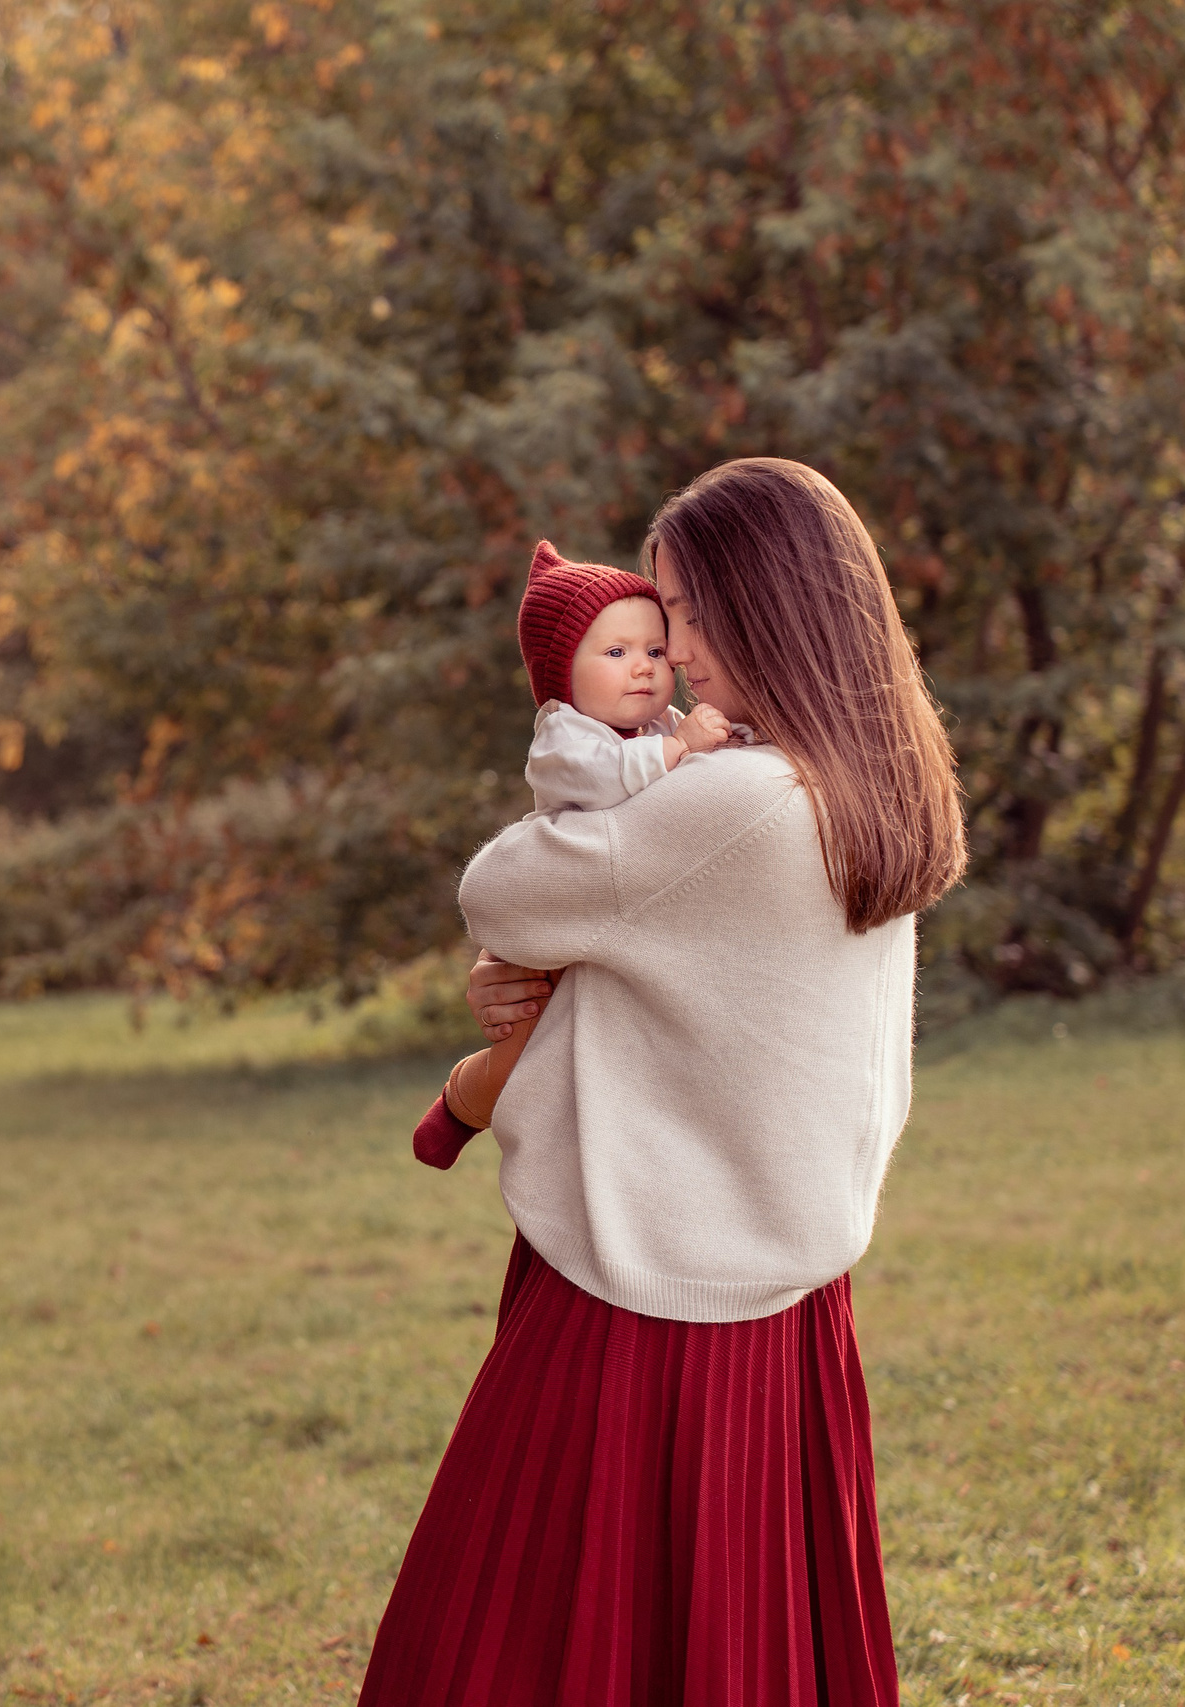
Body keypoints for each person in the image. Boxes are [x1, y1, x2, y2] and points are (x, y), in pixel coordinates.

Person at [362, 458, 967, 1707]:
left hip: (649, 1296)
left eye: (686, 611)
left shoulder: (734, 802)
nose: (672, 653)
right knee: (731, 1645)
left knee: (515, 1639)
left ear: (765, 607)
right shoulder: (864, 785)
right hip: (789, 1296)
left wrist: (527, 957)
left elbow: (503, 893)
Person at [422, 540, 740, 1140]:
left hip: (602, 907)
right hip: (556, 909)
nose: (645, 667)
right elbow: (603, 781)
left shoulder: (657, 725)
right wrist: (681, 749)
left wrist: (712, 740)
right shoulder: (563, 736)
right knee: (522, 1030)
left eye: (654, 650)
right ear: (561, 672)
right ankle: (459, 1113)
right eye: (617, 652)